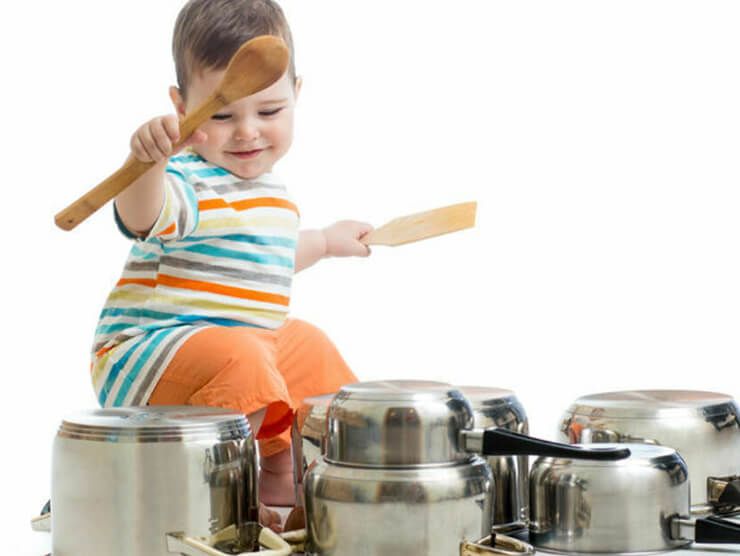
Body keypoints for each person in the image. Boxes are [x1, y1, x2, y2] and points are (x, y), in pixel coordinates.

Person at [90, 0, 371, 523]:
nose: (247, 132)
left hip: (236, 351)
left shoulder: (273, 196)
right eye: (221, 115)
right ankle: (240, 490)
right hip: (145, 357)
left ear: (296, 95)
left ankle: (319, 477)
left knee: (307, 344)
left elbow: (271, 257)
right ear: (182, 108)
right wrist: (146, 166)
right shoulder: (187, 180)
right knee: (245, 354)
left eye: (269, 111)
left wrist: (329, 242)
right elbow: (143, 216)